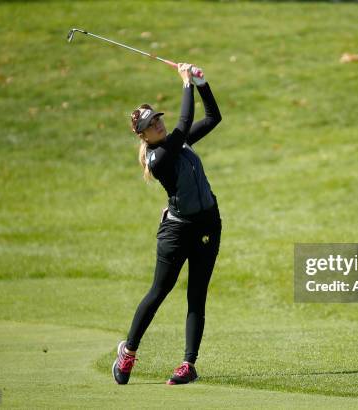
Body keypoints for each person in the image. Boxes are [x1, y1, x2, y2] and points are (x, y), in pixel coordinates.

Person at [112, 63, 222, 385]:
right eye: (151, 124)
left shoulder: (178, 142)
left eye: (157, 119)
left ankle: (188, 365)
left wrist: (202, 83)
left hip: (207, 227)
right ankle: (128, 353)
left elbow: (213, 117)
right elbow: (184, 121)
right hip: (176, 233)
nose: (158, 125)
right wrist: (185, 83)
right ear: (142, 135)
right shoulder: (157, 158)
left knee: (197, 296)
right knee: (159, 291)